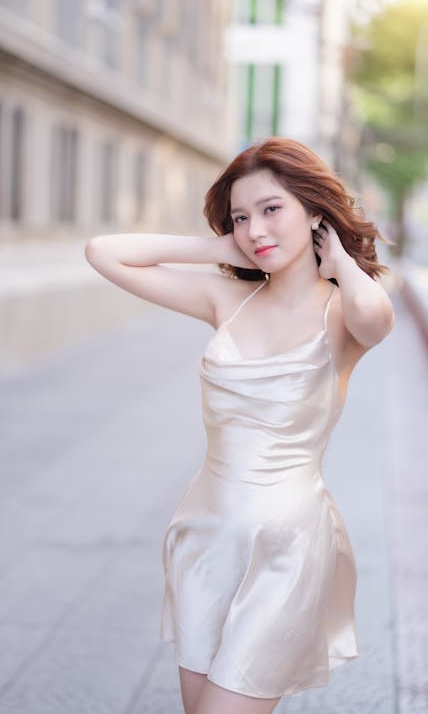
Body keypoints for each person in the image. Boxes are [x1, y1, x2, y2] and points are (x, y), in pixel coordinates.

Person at [84, 137, 395, 714]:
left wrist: (342, 262)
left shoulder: (342, 313)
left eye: (272, 209)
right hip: (205, 539)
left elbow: (378, 320)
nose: (255, 228)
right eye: (241, 217)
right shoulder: (227, 298)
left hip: (286, 548)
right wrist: (220, 247)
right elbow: (103, 252)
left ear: (313, 210)